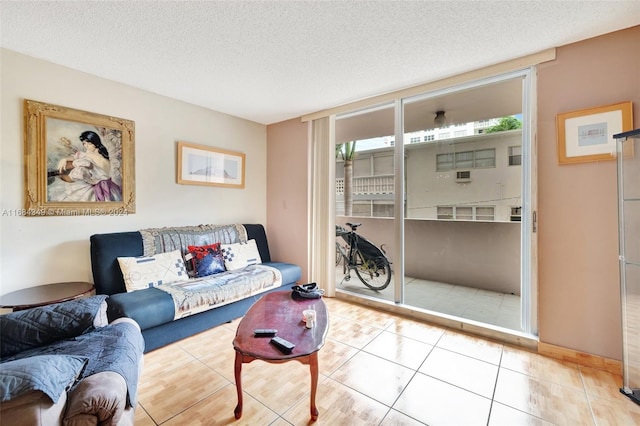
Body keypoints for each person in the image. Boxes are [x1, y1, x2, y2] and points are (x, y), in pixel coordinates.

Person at [49, 131, 122, 202]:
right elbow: (77, 159)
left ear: (95, 143)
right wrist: (65, 159)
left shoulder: (96, 157)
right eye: (84, 143)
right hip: (103, 185)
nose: (86, 146)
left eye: (89, 143)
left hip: (105, 187)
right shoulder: (87, 155)